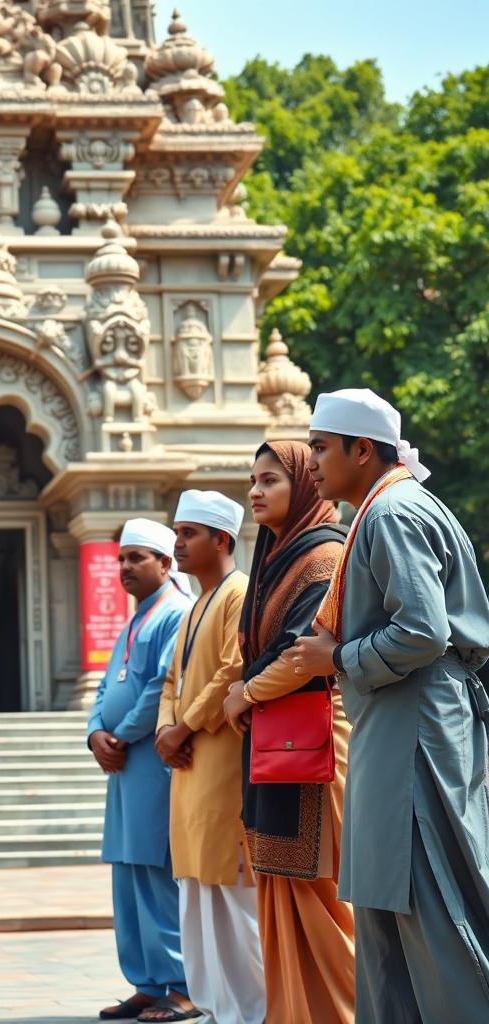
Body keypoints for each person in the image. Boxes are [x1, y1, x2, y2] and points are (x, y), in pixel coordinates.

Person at [292, 388, 489, 1024]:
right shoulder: (383, 508)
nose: (313, 461)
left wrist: (337, 660)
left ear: (362, 448)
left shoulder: (393, 512)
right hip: (398, 724)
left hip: (416, 724)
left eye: (321, 447)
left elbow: (423, 632)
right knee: (386, 907)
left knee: (432, 907)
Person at [221, 441, 355, 1024]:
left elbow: (301, 654)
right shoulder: (275, 557)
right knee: (278, 886)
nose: (255, 490)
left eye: (270, 480)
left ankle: (350, 1010)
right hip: (276, 740)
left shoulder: (323, 555)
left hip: (316, 741)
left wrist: (245, 694)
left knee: (319, 890)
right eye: (252, 479)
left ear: (300, 486)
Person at [155, 490, 265, 1024]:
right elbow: (172, 678)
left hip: (220, 763)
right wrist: (165, 730)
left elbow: (232, 669)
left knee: (232, 894)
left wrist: (184, 727)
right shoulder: (195, 601)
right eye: (177, 533)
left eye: (187, 533)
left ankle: (256, 1010)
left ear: (221, 539)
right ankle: (220, 1010)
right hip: (188, 766)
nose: (176, 543)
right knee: (197, 893)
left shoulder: (240, 593)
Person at [88, 518, 194, 1023]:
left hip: (152, 759)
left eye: (137, 558)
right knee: (128, 877)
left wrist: (121, 735)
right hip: (124, 765)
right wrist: (94, 732)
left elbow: (160, 688)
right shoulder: (133, 621)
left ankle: (182, 986)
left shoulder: (176, 613)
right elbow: (106, 688)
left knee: (158, 872)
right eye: (121, 559)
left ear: (165, 563)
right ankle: (147, 984)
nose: (125, 568)